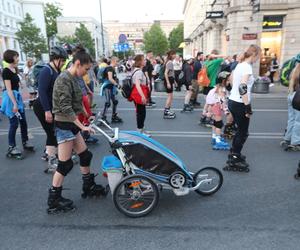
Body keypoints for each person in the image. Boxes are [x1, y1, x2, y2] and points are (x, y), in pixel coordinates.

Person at [47, 48, 108, 214]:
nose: (86, 73)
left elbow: (78, 100)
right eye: (86, 69)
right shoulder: (63, 79)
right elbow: (66, 108)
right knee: (65, 164)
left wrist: (86, 114)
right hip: (64, 126)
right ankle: (54, 200)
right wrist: (82, 126)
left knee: (85, 155)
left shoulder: (74, 77)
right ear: (77, 63)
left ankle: (88, 186)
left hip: (72, 125)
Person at [224, 44, 261, 172]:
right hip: (240, 103)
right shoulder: (247, 67)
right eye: (259, 56)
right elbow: (242, 87)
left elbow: (233, 81)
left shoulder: (239, 65)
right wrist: (247, 107)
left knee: (240, 130)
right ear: (254, 54)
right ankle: (234, 157)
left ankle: (234, 153)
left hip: (233, 101)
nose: (258, 59)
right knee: (243, 132)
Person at [33, 46, 68, 172]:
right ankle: (52, 161)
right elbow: (41, 91)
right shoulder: (47, 71)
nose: (63, 63)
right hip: (42, 106)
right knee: (52, 133)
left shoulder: (56, 71)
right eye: (62, 60)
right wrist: (47, 111)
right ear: (56, 59)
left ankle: (54, 157)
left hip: (49, 107)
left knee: (53, 132)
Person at [1, 50, 34, 158]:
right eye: (16, 56)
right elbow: (9, 89)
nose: (18, 58)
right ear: (11, 57)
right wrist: (15, 104)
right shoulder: (5, 71)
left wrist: (23, 86)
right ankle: (11, 147)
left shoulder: (15, 69)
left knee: (23, 122)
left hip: (17, 98)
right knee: (14, 123)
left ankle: (25, 142)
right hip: (11, 99)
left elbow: (18, 82)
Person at [206, 71, 231, 150]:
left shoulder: (217, 87)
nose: (229, 82)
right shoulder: (222, 89)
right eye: (228, 80)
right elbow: (222, 101)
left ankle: (214, 137)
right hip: (217, 107)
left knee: (215, 123)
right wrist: (226, 111)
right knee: (219, 124)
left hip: (214, 106)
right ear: (223, 81)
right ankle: (218, 140)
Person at [280, 63, 300, 151]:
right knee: (298, 121)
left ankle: (287, 138)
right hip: (298, 97)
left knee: (291, 119)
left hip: (291, 95)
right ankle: (295, 142)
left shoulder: (294, 71)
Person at [129, 55, 150, 136]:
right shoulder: (138, 72)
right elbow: (137, 85)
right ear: (140, 62)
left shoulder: (138, 71)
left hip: (138, 94)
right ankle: (139, 131)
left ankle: (141, 129)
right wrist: (143, 96)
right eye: (144, 60)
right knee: (141, 113)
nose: (145, 61)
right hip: (138, 95)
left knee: (142, 112)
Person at [100, 57, 123, 124]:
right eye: (117, 61)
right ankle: (103, 118)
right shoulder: (109, 68)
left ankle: (114, 116)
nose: (118, 63)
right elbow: (110, 78)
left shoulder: (112, 68)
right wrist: (117, 85)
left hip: (111, 87)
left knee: (115, 101)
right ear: (113, 61)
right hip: (107, 87)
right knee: (108, 102)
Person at [163, 50, 177, 119]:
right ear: (171, 55)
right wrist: (168, 82)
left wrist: (174, 81)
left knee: (171, 96)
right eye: (174, 54)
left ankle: (168, 110)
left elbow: (171, 73)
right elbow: (165, 73)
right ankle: (166, 111)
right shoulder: (170, 62)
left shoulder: (169, 61)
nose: (175, 55)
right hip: (168, 80)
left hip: (170, 79)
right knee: (169, 96)